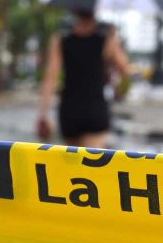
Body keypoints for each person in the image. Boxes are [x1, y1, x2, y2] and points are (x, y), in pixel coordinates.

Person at [37, 9, 130, 148]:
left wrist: (43, 114)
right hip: (95, 107)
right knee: (92, 164)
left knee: (73, 165)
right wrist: (113, 39)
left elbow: (51, 77)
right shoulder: (106, 38)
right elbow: (124, 69)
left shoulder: (61, 38)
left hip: (69, 109)